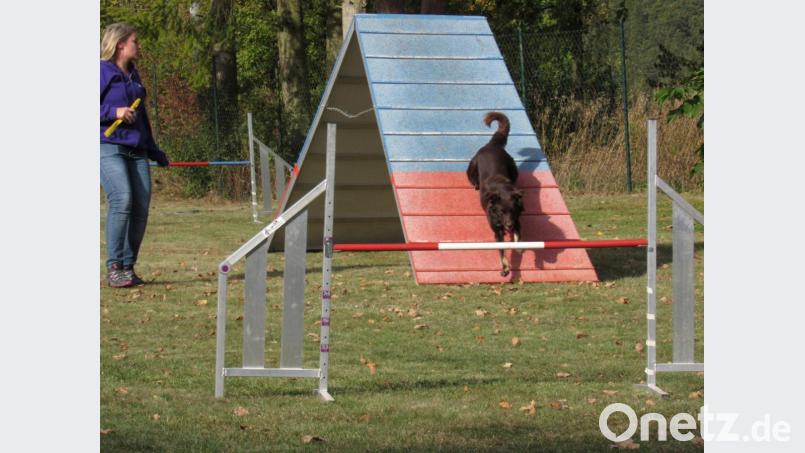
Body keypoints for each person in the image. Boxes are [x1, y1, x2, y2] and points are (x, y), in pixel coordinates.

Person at [100, 23, 169, 288]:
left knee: (141, 207)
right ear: (120, 44)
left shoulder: (134, 75)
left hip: (137, 149)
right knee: (122, 198)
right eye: (135, 42)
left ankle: (128, 267)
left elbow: (142, 118)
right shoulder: (102, 71)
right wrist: (113, 112)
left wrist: (154, 150)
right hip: (108, 146)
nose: (138, 46)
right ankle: (114, 266)